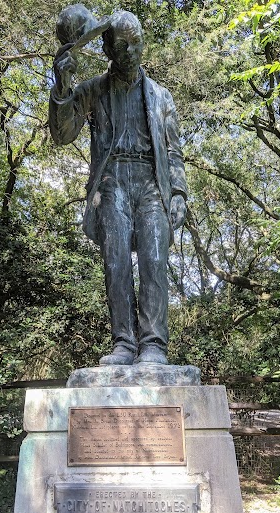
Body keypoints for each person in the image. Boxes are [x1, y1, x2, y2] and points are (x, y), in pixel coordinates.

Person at [49, 10, 187, 366]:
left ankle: (154, 345)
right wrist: (62, 87)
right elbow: (62, 133)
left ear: (144, 42)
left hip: (151, 180)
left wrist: (179, 193)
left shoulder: (160, 96)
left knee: (155, 260)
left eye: (135, 43)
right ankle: (124, 344)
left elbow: (173, 151)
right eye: (121, 45)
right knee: (116, 263)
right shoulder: (94, 90)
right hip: (111, 182)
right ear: (108, 49)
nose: (129, 52)